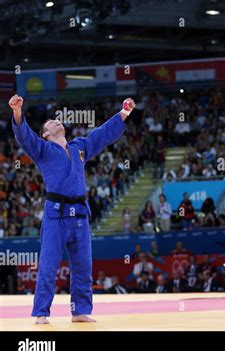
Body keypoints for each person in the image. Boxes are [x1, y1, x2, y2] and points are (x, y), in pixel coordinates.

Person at [9, 94, 136, 324]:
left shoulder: (80, 147)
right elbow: (24, 136)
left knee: (83, 267)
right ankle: (41, 312)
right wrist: (18, 112)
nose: (57, 122)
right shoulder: (43, 149)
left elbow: (101, 135)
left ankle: (80, 310)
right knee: (48, 266)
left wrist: (123, 113)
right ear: (45, 134)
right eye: (51, 123)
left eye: (59, 121)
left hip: (79, 215)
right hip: (55, 215)